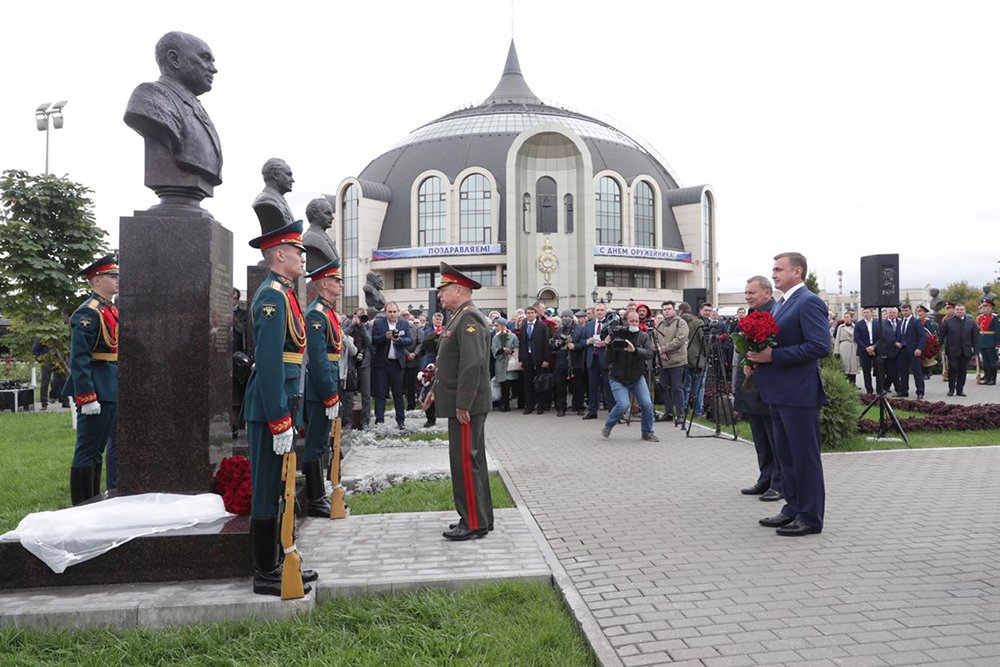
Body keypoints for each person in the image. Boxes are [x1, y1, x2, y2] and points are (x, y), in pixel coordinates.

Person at [241, 220, 317, 596]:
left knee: (280, 488)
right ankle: (264, 572)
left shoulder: (285, 294)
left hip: (285, 403)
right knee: (267, 488)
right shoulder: (271, 296)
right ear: (280, 255)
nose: (303, 257)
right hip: (271, 408)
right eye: (298, 251)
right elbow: (270, 362)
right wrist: (279, 419)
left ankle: (283, 557)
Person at [748, 252, 829, 537]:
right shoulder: (781, 304)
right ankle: (793, 508)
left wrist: (774, 356)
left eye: (779, 269)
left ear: (798, 271)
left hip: (799, 394)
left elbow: (820, 346)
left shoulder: (809, 301)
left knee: (803, 457)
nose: (774, 273)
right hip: (778, 392)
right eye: (773, 269)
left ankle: (810, 516)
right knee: (786, 457)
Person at [423, 263, 494, 540]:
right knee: (468, 460)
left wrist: (463, 403)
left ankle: (473, 522)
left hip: (467, 406)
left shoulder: (469, 318)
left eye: (444, 290)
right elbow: (448, 363)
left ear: (459, 290)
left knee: (466, 461)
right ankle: (478, 518)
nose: (440, 295)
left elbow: (472, 364)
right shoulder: (458, 317)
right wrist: (434, 391)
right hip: (461, 402)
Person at [123, 31, 222, 205]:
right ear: (174, 59)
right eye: (205, 58)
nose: (213, 69)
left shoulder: (197, 107)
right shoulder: (149, 97)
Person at [64, 255, 119, 505]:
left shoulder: (110, 309)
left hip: (109, 385)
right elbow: (80, 358)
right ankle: (82, 503)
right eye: (112, 276)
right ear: (97, 280)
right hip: (95, 388)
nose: (117, 280)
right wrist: (87, 397)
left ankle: (93, 499)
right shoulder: (88, 312)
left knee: (97, 450)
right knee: (88, 450)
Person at [302, 258, 344, 518]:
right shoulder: (317, 313)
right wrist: (329, 394)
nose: (340, 284)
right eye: (336, 280)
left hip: (328, 380)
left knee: (321, 441)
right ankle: (315, 498)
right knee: (315, 443)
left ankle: (319, 494)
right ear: (324, 283)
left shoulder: (327, 311)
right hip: (320, 387)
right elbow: (317, 358)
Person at [735, 276, 782, 502]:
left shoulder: (777, 313)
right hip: (753, 386)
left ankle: (779, 482)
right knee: (760, 437)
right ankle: (765, 477)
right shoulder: (752, 315)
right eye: (746, 293)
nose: (747, 296)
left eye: (752, 293)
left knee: (775, 438)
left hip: (770, 386)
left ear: (767, 292)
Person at [600, 310, 658, 442]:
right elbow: (608, 360)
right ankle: (608, 425)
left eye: (637, 321)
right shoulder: (616, 335)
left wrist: (635, 350)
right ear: (625, 322)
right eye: (632, 321)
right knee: (623, 404)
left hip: (636, 377)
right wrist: (608, 346)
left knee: (647, 404)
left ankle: (647, 432)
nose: (634, 323)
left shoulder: (643, 336)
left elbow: (649, 353)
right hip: (617, 377)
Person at [371, 302, 412, 429]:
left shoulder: (404, 324)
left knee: (398, 393)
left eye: (394, 311)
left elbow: (410, 340)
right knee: (381, 394)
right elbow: (373, 340)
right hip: (382, 364)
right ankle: (379, 421)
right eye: (390, 312)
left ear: (398, 312)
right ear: (385, 312)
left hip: (397, 364)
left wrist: (399, 340)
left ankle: (401, 421)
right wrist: (385, 337)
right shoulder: (379, 323)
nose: (392, 314)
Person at [652, 301, 688, 427]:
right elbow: (655, 338)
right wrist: (660, 351)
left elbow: (680, 340)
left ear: (674, 310)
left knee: (677, 388)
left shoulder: (680, 323)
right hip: (663, 362)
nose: (666, 311)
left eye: (669, 309)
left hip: (677, 361)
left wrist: (663, 349)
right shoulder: (660, 324)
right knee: (664, 387)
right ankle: (668, 412)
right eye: (664, 309)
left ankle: (680, 414)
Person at [518, 305, 552, 414]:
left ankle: (541, 406)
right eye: (528, 313)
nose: (530, 315)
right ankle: (529, 406)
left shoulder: (542, 326)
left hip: (539, 358)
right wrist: (521, 359)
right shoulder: (523, 326)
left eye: (532, 313)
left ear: (536, 314)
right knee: (528, 383)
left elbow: (546, 344)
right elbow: (522, 344)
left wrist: (546, 359)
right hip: (527, 358)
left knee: (540, 383)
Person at [581, 302, 612, 419]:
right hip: (592, 358)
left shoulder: (610, 324)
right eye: (597, 310)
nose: (599, 312)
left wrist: (606, 343)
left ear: (605, 311)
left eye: (601, 310)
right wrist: (588, 341)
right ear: (594, 312)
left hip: (605, 358)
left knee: (608, 387)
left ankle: (612, 411)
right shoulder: (588, 325)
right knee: (592, 387)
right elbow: (582, 341)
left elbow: (614, 341)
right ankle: (592, 410)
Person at [940, 303, 978, 396]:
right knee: (953, 368)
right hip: (952, 351)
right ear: (954, 310)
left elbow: (975, 338)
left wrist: (976, 352)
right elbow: (941, 335)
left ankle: (960, 390)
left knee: (963, 370)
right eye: (957, 309)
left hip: (966, 351)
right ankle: (951, 389)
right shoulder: (948, 322)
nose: (959, 311)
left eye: (961, 309)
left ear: (964, 311)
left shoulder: (971, 322)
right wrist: (940, 347)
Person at [344, 307, 373, 428]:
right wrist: (353, 325)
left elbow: (368, 342)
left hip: (364, 360)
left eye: (364, 316)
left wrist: (361, 327)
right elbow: (343, 336)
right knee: (349, 393)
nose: (362, 318)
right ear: (354, 316)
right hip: (350, 361)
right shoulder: (347, 324)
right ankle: (348, 422)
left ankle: (365, 422)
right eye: (360, 316)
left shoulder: (368, 326)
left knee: (366, 394)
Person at [552, 310, 583, 417]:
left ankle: (579, 407)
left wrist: (575, 346)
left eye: (566, 316)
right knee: (560, 387)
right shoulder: (560, 330)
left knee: (577, 386)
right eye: (563, 316)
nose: (564, 318)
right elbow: (553, 344)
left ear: (571, 318)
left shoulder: (579, 329)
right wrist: (556, 344)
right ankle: (561, 408)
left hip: (575, 362)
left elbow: (583, 344)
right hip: (561, 362)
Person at [252, 159, 296, 233]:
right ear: (275, 175)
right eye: (288, 175)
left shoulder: (280, 200)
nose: (292, 180)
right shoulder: (266, 200)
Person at [895, 304, 928, 399]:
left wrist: (919, 348)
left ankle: (920, 392)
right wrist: (896, 342)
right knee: (902, 372)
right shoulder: (900, 323)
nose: (904, 312)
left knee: (917, 372)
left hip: (913, 351)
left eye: (906, 310)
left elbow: (923, 336)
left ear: (910, 310)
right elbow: (897, 335)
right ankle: (904, 391)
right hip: (902, 350)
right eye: (903, 311)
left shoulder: (916, 322)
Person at [679, 302, 705, 416]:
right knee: (698, 387)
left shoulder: (679, 322)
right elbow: (703, 340)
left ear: (680, 311)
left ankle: (684, 408)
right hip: (697, 359)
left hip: (684, 358)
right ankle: (698, 412)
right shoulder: (698, 322)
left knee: (686, 385)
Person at [302, 197, 339, 272]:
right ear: (315, 213)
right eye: (327, 213)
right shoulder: (310, 237)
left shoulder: (324, 237)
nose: (332, 218)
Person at [490, 318, 519, 412]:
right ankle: (503, 404)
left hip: (510, 363)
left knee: (509, 384)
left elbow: (517, 347)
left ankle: (507, 404)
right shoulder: (495, 337)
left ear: (503, 325)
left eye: (497, 325)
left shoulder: (512, 336)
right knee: (503, 385)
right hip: (500, 362)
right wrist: (502, 350)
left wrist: (511, 351)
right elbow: (494, 349)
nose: (496, 327)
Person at [854, 307, 879, 394]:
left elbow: (881, 337)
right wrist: (866, 348)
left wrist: (874, 346)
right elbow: (857, 338)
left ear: (871, 313)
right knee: (866, 371)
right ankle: (869, 390)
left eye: (867, 312)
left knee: (879, 370)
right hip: (864, 350)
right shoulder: (859, 324)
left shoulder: (877, 323)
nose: (865, 314)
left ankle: (879, 390)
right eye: (864, 312)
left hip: (876, 350)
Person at [879, 307, 902, 395]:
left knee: (893, 371)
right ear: (887, 313)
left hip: (899, 351)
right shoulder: (882, 323)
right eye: (890, 313)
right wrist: (894, 342)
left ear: (897, 313)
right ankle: (898, 389)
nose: (892, 314)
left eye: (894, 313)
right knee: (892, 371)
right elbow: (884, 337)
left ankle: (886, 386)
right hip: (887, 351)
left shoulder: (900, 322)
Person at [834, 310, 859, 387]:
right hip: (844, 347)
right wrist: (836, 351)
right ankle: (844, 383)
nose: (846, 319)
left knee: (853, 366)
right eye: (844, 317)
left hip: (853, 346)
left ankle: (853, 382)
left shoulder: (856, 327)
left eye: (847, 317)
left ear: (851, 318)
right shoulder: (840, 327)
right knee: (844, 365)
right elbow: (837, 339)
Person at [977, 299, 999, 385]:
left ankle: (992, 379)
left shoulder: (995, 317)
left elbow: (998, 331)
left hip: (991, 341)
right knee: (985, 361)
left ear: (991, 307)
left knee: (992, 361)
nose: (984, 308)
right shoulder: (980, 317)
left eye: (986, 306)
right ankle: (987, 377)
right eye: (983, 306)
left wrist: (997, 344)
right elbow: (979, 330)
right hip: (982, 341)